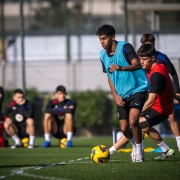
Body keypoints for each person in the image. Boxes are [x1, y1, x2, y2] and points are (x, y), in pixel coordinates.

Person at [109, 44, 180, 160]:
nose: (141, 62)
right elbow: (170, 83)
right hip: (159, 107)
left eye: (145, 59)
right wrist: (175, 96)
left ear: (153, 58)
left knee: (134, 125)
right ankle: (165, 149)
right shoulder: (161, 66)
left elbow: (151, 101)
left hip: (159, 110)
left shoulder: (156, 75)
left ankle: (109, 152)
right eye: (140, 58)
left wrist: (137, 112)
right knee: (145, 127)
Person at [96, 24, 150, 162]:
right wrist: (115, 96)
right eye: (100, 39)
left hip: (138, 89)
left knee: (133, 121)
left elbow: (137, 64)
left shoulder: (126, 47)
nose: (102, 41)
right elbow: (109, 76)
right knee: (124, 128)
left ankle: (139, 152)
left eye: (104, 38)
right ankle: (136, 145)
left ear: (113, 37)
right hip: (121, 94)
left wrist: (121, 67)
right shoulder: (102, 55)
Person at [140, 33, 180, 152]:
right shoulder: (140, 58)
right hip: (148, 91)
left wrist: (176, 91)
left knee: (171, 117)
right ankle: (141, 149)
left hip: (163, 93)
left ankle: (179, 143)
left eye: (150, 45)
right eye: (145, 45)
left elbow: (172, 73)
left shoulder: (161, 57)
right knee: (143, 124)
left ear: (153, 45)